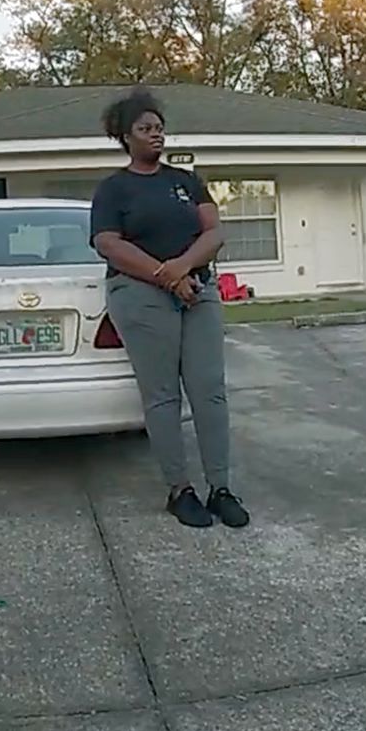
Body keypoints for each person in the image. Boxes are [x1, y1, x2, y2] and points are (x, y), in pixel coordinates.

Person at [88, 86, 250, 529]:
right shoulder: (113, 189)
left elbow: (213, 233)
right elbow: (107, 243)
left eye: (160, 128)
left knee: (209, 390)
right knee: (163, 395)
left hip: (197, 290)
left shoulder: (185, 181)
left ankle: (221, 488)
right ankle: (180, 490)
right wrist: (165, 276)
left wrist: (181, 269)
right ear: (126, 136)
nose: (156, 135)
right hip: (140, 295)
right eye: (145, 129)